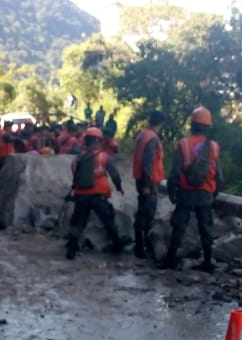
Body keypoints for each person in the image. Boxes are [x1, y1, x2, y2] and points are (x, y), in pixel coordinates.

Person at [160, 106, 220, 273]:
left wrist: (172, 192)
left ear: (192, 124)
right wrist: (215, 194)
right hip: (206, 193)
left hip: (186, 193)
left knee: (179, 226)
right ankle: (208, 262)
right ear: (207, 127)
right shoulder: (214, 147)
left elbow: (174, 173)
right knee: (206, 228)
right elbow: (218, 174)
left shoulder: (183, 144)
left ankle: (170, 260)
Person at [65, 127, 126, 260]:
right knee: (108, 220)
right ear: (98, 141)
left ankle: (72, 248)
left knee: (78, 222)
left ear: (85, 141)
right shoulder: (104, 157)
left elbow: (75, 175)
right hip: (99, 195)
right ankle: (117, 245)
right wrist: (119, 186)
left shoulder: (77, 159)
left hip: (81, 195)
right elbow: (114, 173)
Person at [132, 111, 166, 259]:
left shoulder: (142, 135)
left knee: (142, 211)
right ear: (161, 123)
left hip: (141, 179)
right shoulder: (153, 139)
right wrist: (147, 184)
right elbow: (148, 162)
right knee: (146, 214)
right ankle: (142, 247)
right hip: (148, 182)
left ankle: (140, 245)